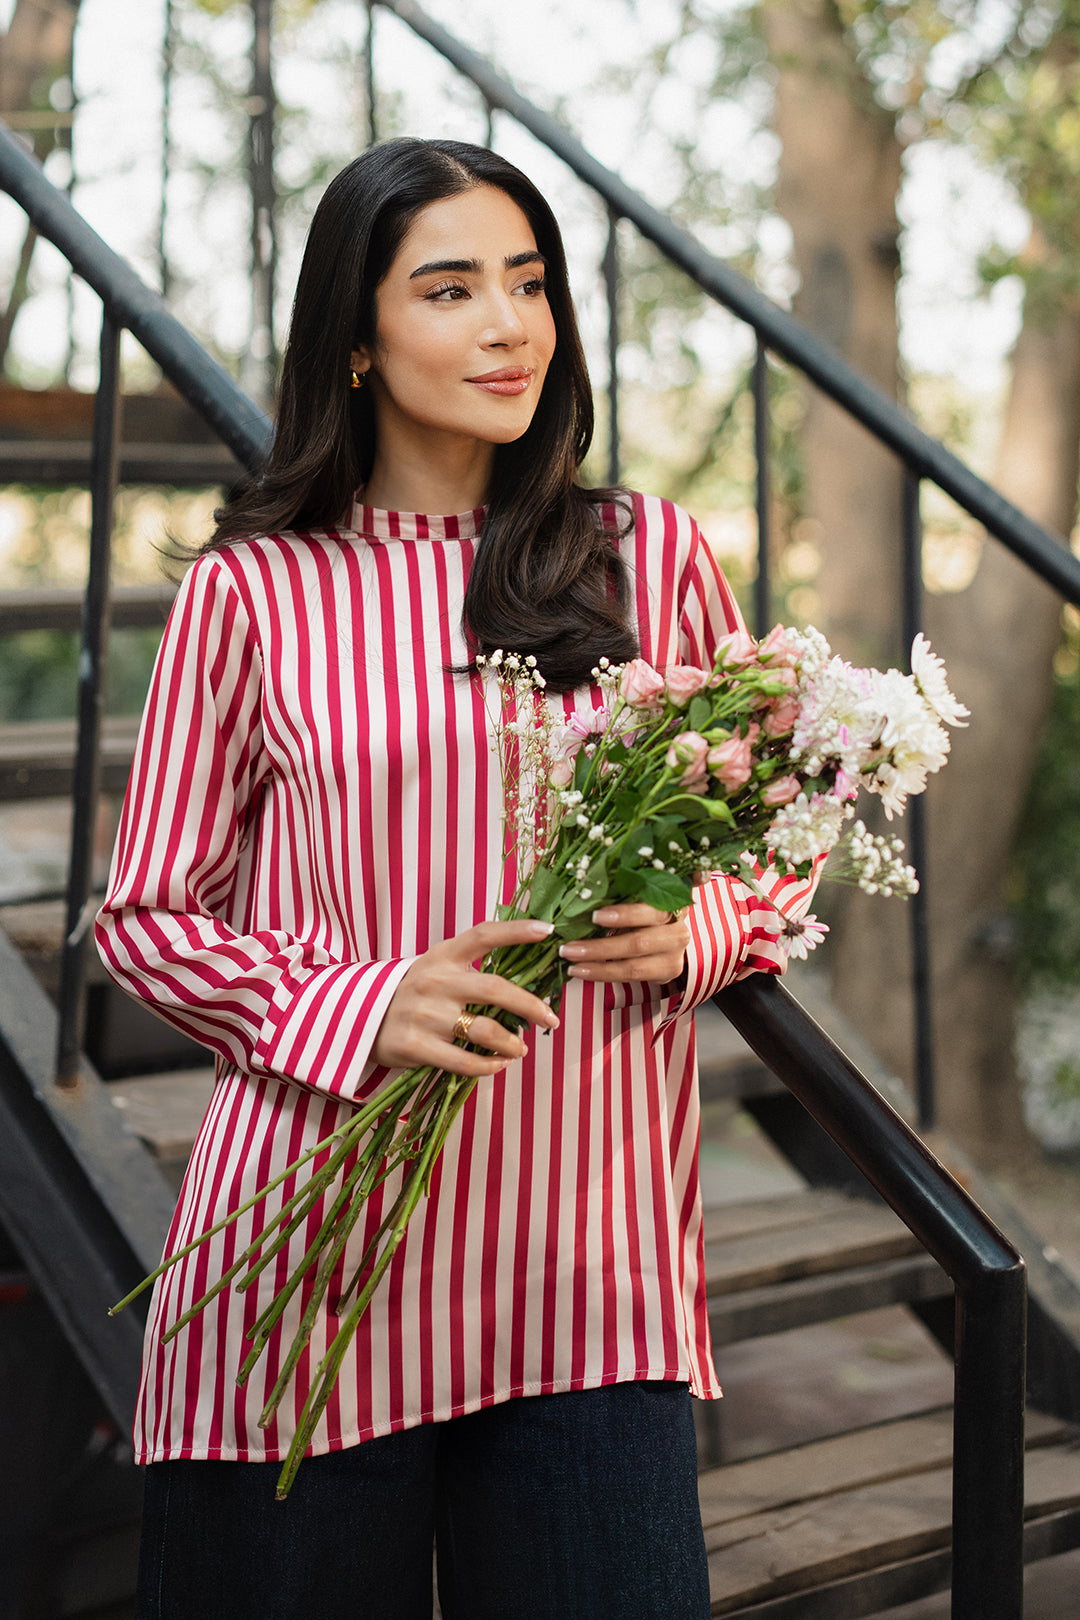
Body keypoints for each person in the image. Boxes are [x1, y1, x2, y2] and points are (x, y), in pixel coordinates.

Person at [96, 137, 815, 1620]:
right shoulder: (253, 590)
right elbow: (147, 921)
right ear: (354, 343)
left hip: (589, 1284)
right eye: (450, 288)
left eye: (531, 283)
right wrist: (362, 1007)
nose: (510, 326)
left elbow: (786, 850)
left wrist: (697, 928)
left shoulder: (649, 557)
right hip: (304, 1279)